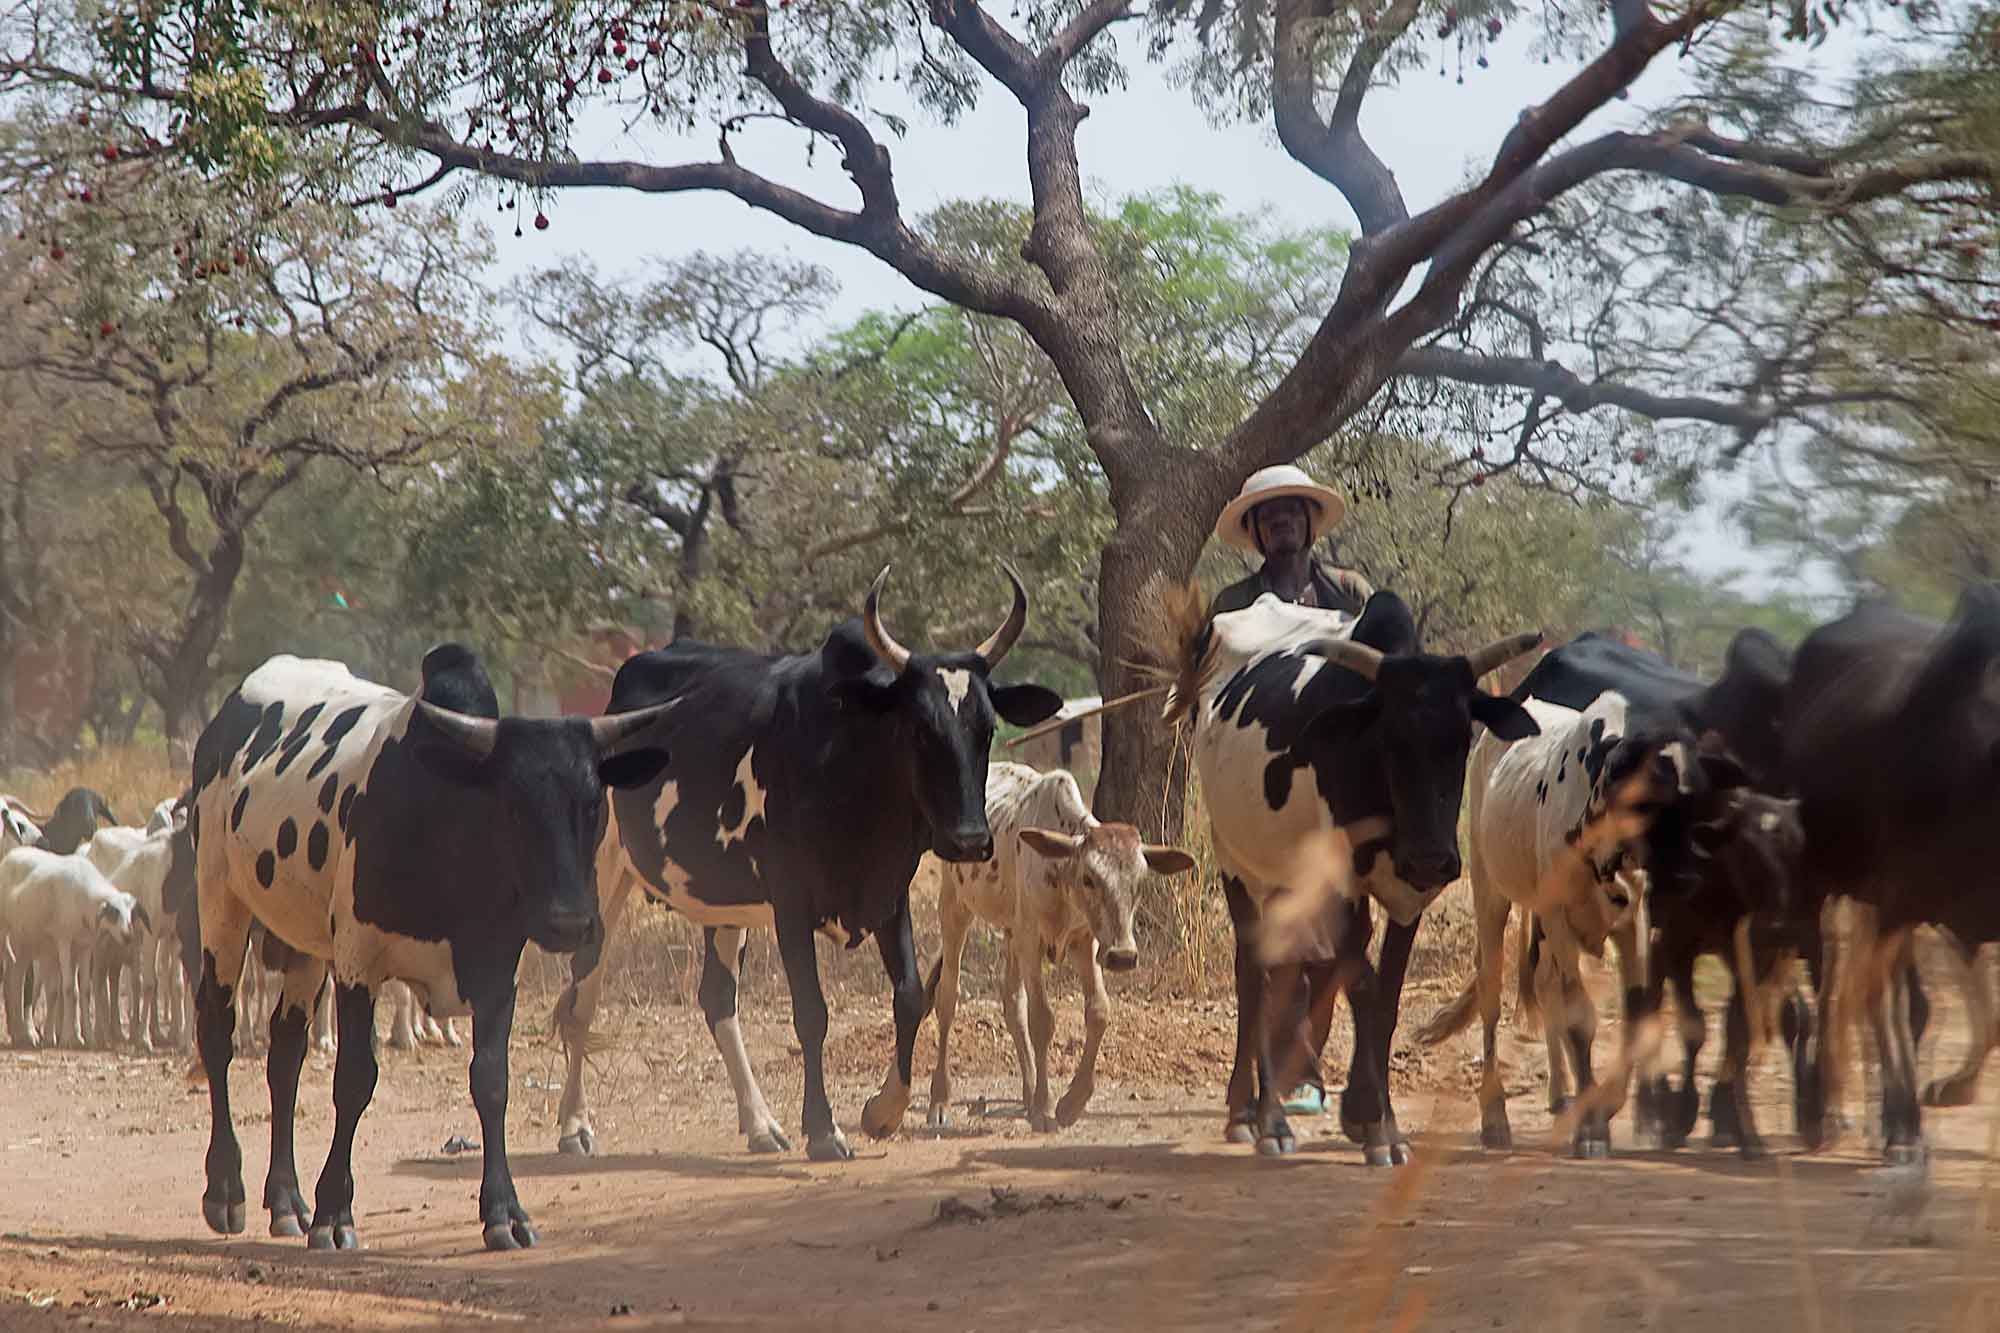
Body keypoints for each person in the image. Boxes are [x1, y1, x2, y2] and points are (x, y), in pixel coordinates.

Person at [1207, 464, 1374, 1117]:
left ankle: (1299, 1066)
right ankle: (1261, 1070)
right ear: (1254, 531)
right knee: (1265, 940)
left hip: (1333, 782)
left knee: (1335, 936)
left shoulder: (1351, 594)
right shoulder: (1231, 608)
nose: (1281, 522)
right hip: (1253, 781)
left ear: (1309, 522)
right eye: (1268, 514)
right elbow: (1213, 692)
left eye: (1292, 511)